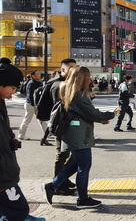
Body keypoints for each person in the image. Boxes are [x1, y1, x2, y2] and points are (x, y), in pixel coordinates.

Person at [43, 66, 117, 209]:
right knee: (84, 166)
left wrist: (98, 117)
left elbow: (83, 113)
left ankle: (52, 186)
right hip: (78, 136)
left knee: (74, 165)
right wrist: (112, 113)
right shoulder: (79, 95)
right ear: (82, 78)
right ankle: (82, 199)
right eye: (88, 77)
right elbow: (93, 114)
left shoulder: (67, 90)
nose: (90, 79)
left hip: (73, 133)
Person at [0, 58, 45, 220]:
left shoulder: (1, 101)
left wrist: (11, 138)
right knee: (18, 210)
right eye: (12, 88)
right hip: (3, 177)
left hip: (6, 173)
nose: (13, 92)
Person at [49, 58, 77, 196]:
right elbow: (66, 106)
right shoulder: (59, 85)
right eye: (70, 68)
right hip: (62, 125)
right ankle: (57, 184)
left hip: (67, 124)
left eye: (75, 68)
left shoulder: (67, 83)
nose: (74, 71)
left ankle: (63, 180)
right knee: (61, 155)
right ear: (63, 70)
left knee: (70, 154)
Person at [17, 70, 49, 143]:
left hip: (35, 104)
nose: (40, 75)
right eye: (38, 74)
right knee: (27, 120)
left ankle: (47, 134)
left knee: (42, 120)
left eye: (39, 73)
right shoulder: (31, 83)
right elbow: (30, 96)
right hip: (31, 105)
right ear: (33, 76)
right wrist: (35, 104)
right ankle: (21, 135)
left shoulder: (38, 82)